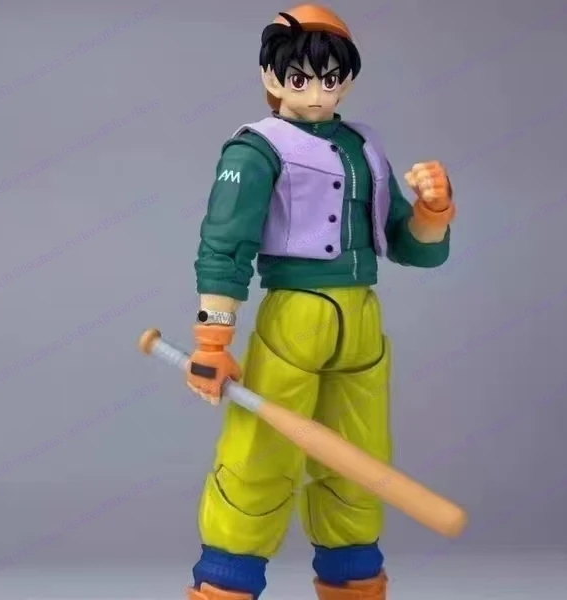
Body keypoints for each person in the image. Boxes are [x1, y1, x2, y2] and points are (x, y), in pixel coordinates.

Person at [185, 5, 455, 599]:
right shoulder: (255, 150)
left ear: (348, 80)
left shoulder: (363, 147)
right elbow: (225, 245)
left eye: (330, 79)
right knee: (261, 456)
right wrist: (212, 338)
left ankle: (354, 582)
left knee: (360, 462)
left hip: (361, 320)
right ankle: (224, 586)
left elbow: (409, 243)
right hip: (296, 316)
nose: (315, 93)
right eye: (300, 78)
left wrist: (434, 213)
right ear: (271, 76)